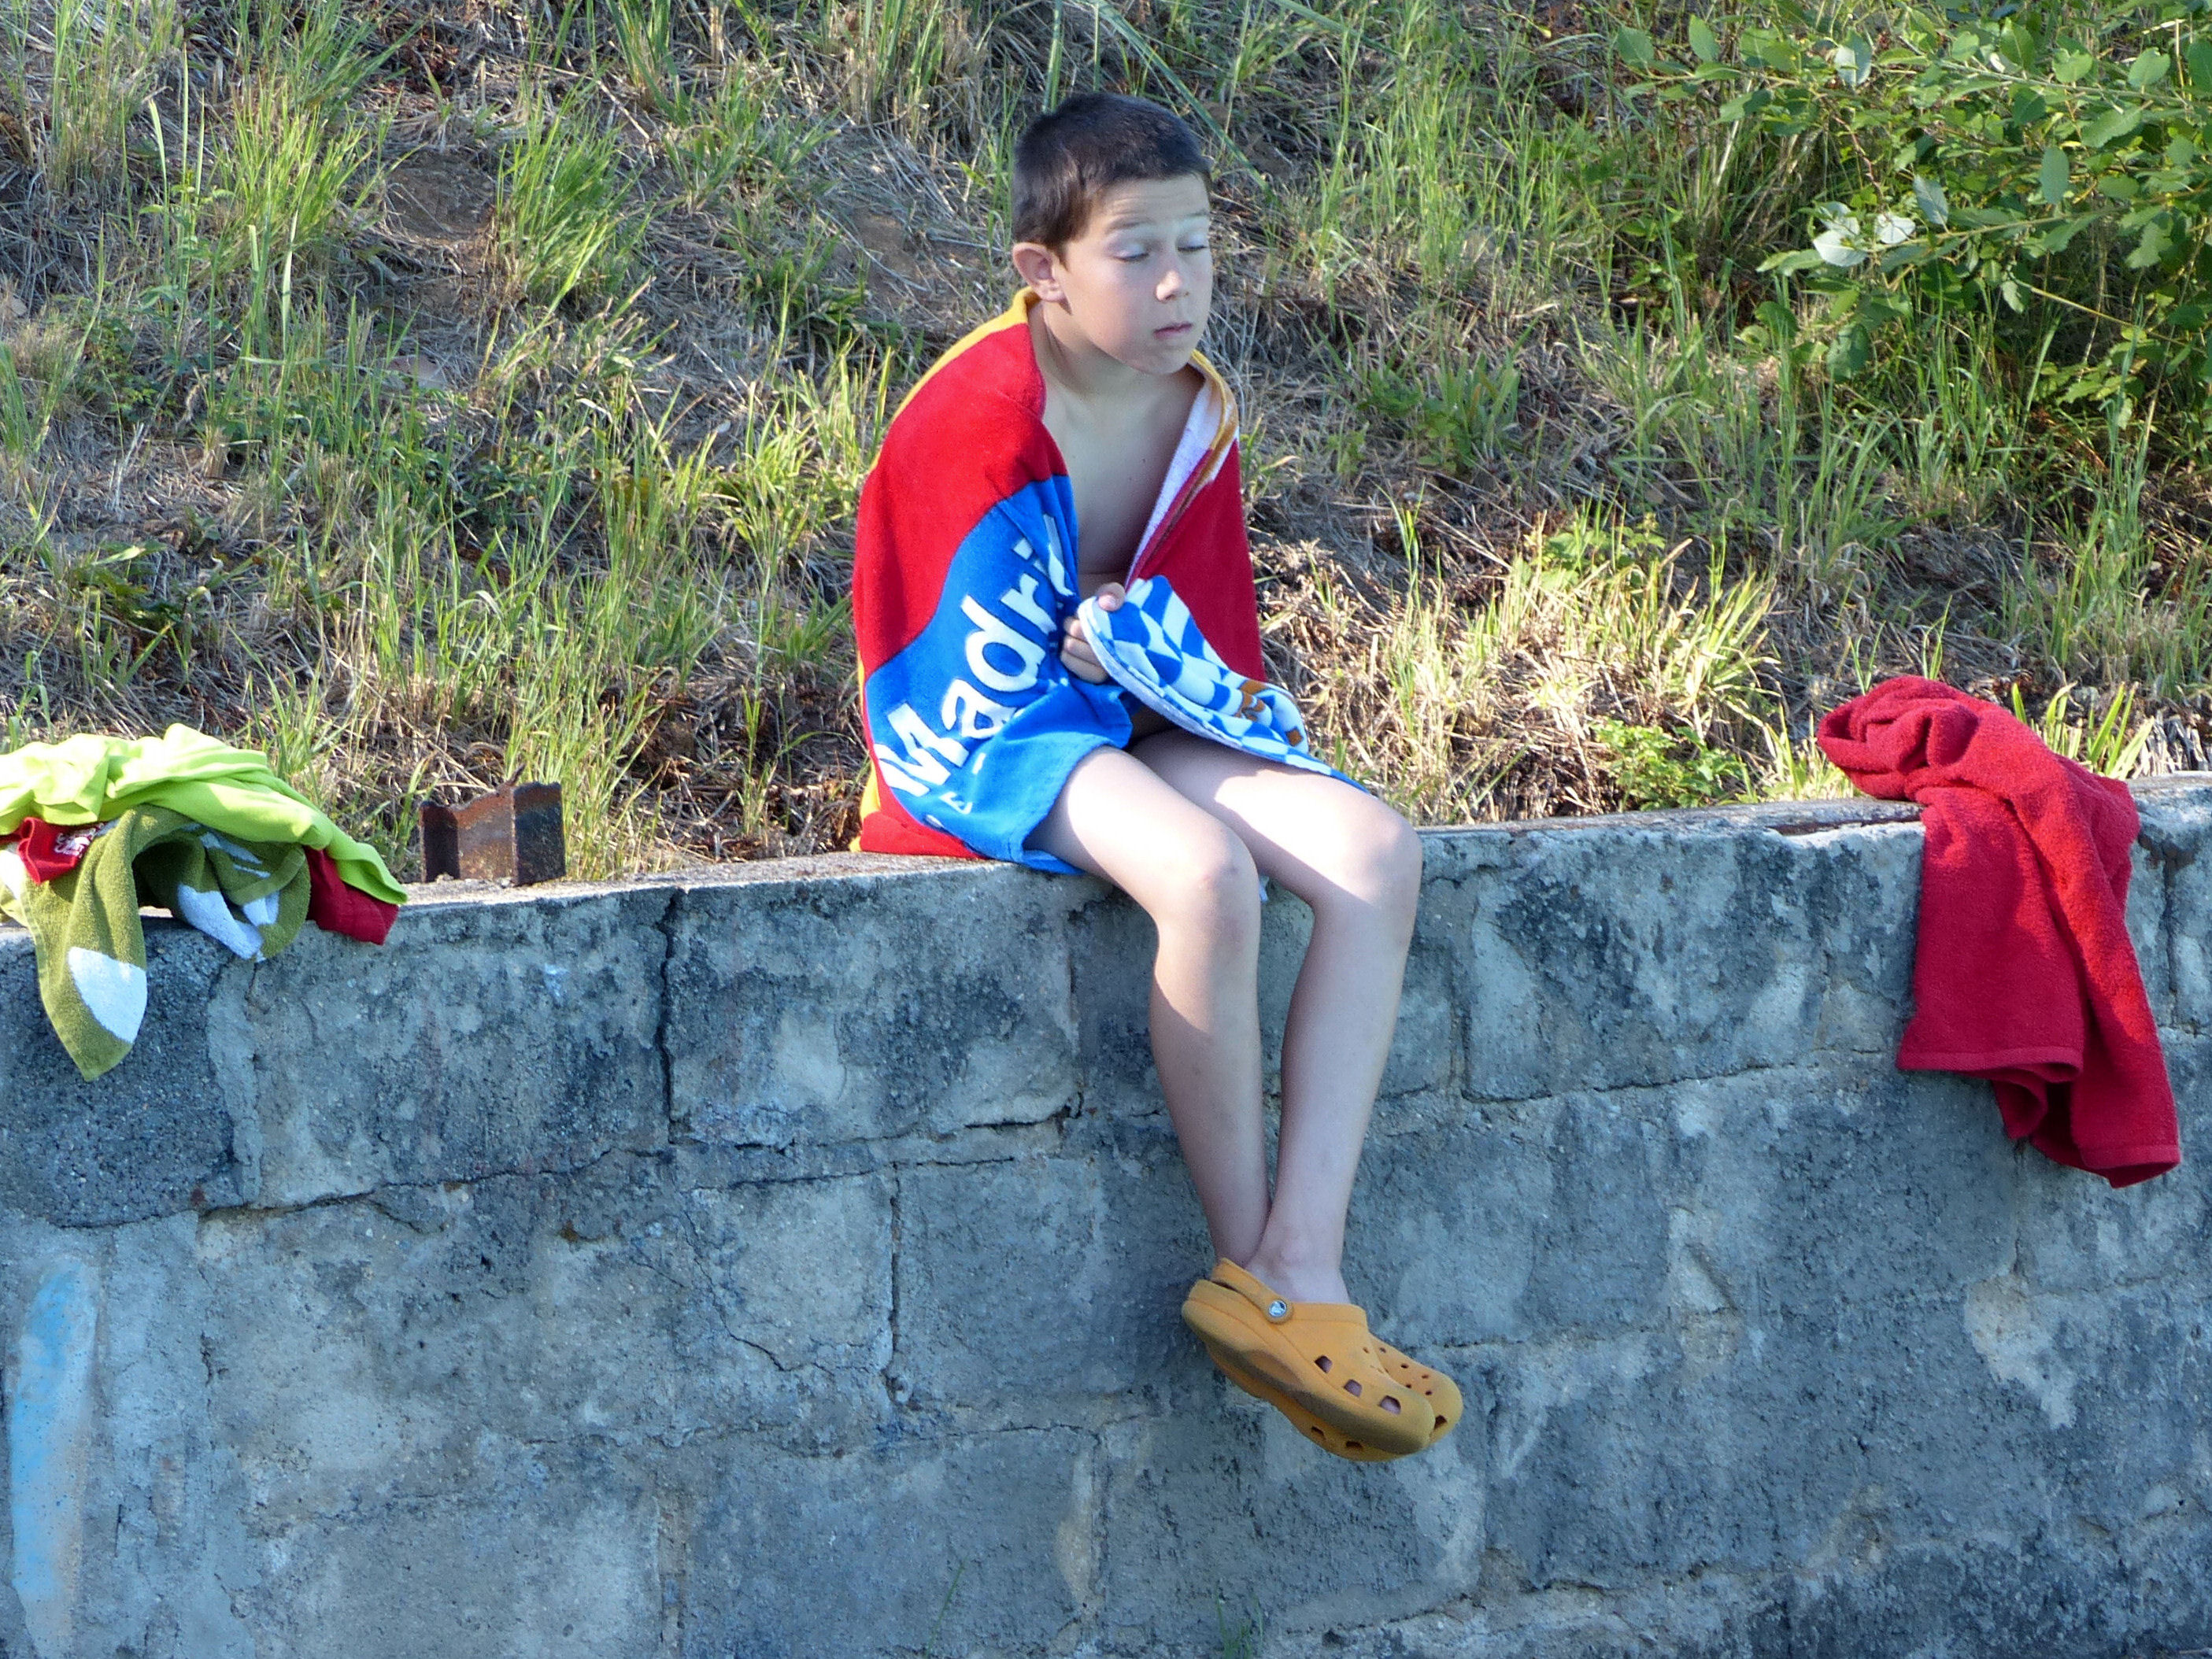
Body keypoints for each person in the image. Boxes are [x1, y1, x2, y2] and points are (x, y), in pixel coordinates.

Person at [850, 91, 1458, 1462]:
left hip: (1125, 709)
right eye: (1134, 254)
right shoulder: (977, 413)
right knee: (1205, 874)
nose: (1178, 284)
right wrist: (1084, 655)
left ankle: (1305, 1261)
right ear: (1043, 270)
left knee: (1374, 855)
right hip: (1000, 726)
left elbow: (1208, 641)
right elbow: (933, 659)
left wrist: (1131, 642)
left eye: (1197, 246)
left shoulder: (1197, 408)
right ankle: (1256, 1280)